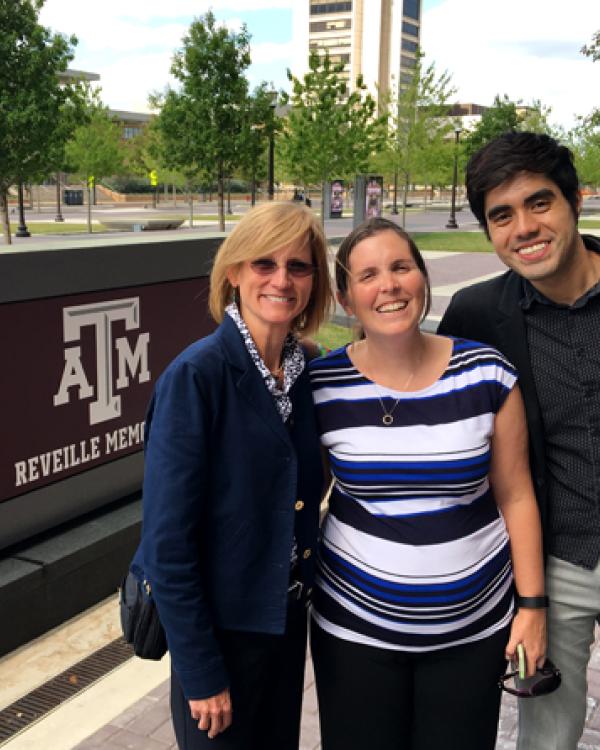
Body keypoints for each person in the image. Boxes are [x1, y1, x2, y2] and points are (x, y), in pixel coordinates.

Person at [308, 217, 546, 750]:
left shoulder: (485, 374)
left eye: (401, 267)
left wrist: (532, 608)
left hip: (473, 635)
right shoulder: (322, 386)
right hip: (354, 634)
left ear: (423, 278)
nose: (388, 285)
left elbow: (516, 495)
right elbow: (303, 495)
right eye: (367, 275)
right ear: (347, 299)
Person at [131, 201, 333, 749]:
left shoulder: (306, 374)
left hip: (285, 626)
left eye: (299, 266)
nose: (281, 280)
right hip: (221, 640)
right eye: (263, 264)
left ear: (314, 280)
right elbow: (167, 543)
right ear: (234, 274)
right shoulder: (198, 376)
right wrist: (200, 671)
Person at [438, 131, 600, 750]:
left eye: (539, 202)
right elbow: (420, 382)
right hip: (555, 563)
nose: (524, 227)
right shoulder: (478, 316)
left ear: (574, 202)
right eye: (501, 215)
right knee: (548, 734)